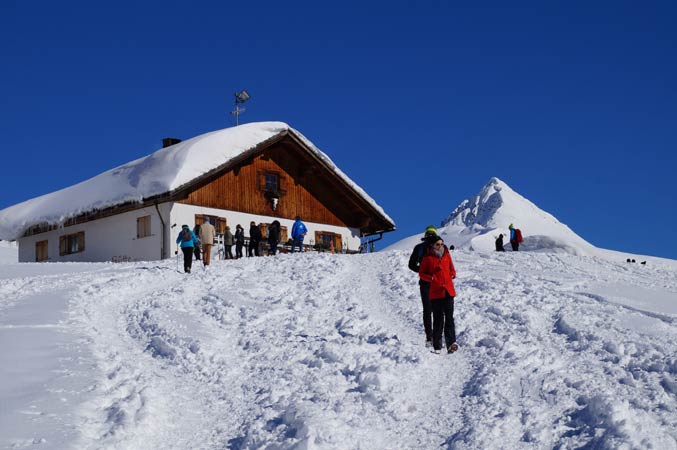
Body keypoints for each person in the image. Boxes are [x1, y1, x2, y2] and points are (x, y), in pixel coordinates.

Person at [419, 236, 458, 354]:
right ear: (432, 245)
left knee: (449, 318)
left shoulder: (446, 254)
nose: (440, 246)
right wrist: (431, 278)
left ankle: (451, 343)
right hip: (435, 293)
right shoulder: (427, 258)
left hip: (448, 291)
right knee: (438, 320)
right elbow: (421, 273)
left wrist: (452, 274)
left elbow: (452, 268)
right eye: (437, 244)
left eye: (441, 243)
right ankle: (437, 346)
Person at [408, 225, 440, 347]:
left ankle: (429, 337)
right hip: (438, 283)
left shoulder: (419, 247)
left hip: (425, 283)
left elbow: (411, 265)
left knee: (427, 310)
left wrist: (421, 271)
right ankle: (437, 336)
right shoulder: (440, 246)